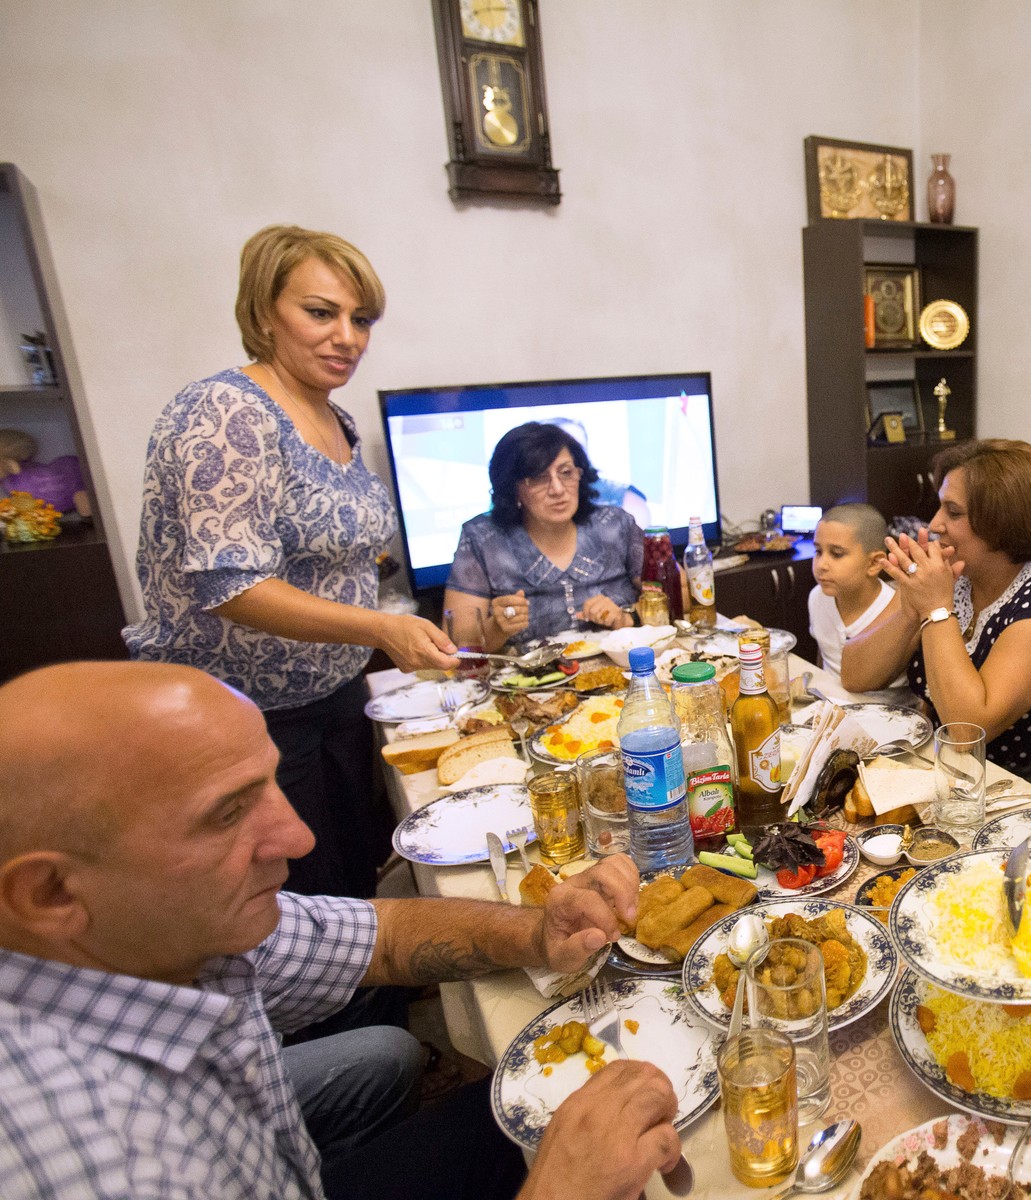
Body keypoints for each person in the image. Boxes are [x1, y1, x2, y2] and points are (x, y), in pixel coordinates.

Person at [0, 661, 683, 1200]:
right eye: (226, 814)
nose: (296, 837)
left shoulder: (149, 930)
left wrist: (538, 935)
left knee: (510, 1104)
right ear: (50, 893)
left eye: (270, 785)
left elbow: (379, 938)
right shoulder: (95, 1159)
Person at [126, 225, 458, 901]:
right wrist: (379, 630)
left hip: (331, 695)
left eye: (360, 319)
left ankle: (379, 1005)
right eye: (321, 313)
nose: (348, 337)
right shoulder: (227, 411)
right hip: (247, 716)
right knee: (297, 899)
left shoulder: (334, 417)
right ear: (262, 311)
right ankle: (349, 1011)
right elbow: (231, 583)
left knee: (353, 878)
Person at [841, 439, 1031, 791]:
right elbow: (855, 675)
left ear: (1003, 522)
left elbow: (967, 730)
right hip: (962, 776)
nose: (934, 523)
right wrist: (911, 609)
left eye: (953, 512)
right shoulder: (957, 573)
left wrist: (935, 609)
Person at [443, 421, 643, 651]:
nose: (558, 489)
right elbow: (456, 646)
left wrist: (627, 617)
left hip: (623, 669)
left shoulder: (614, 524)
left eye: (566, 473)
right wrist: (496, 628)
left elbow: (677, 601)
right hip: (527, 681)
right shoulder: (483, 538)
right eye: (538, 478)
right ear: (512, 487)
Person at [807, 502, 899, 677]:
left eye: (837, 554)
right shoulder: (817, 597)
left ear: (873, 563)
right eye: (818, 551)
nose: (821, 565)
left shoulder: (897, 611)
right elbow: (825, 656)